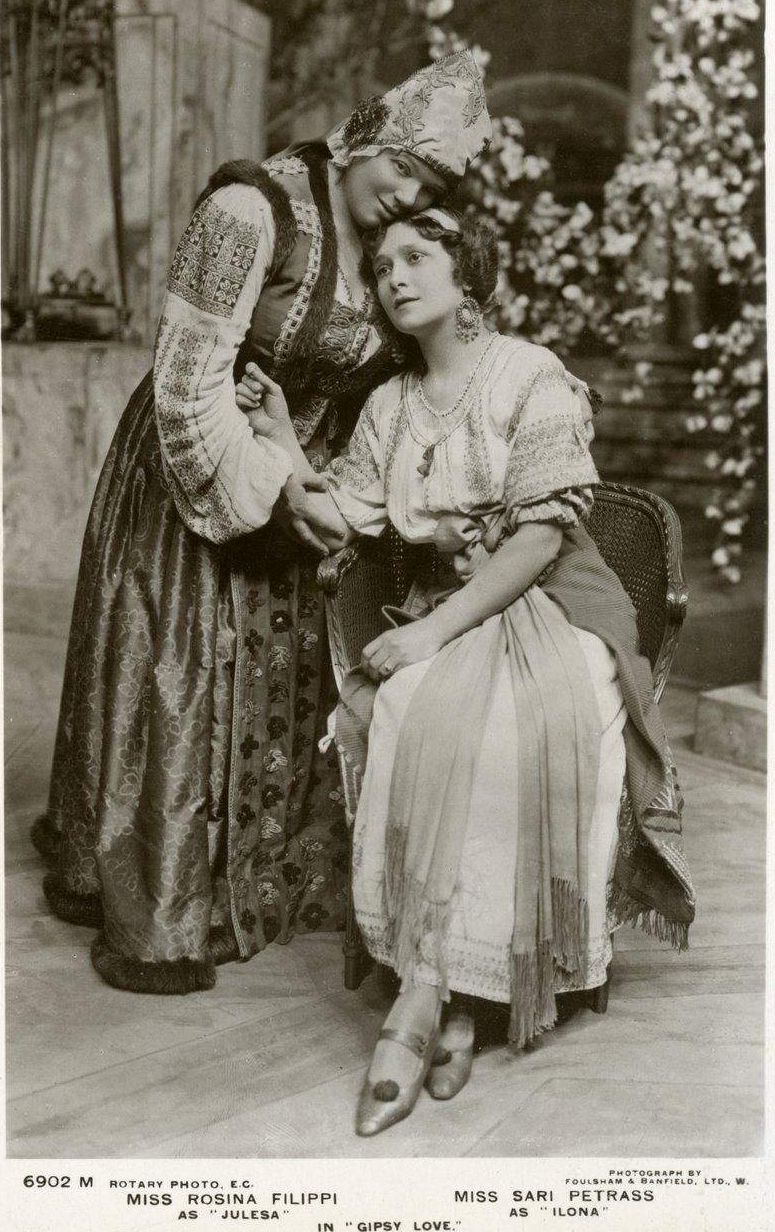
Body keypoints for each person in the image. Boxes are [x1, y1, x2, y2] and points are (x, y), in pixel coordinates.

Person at [31, 51, 494, 994]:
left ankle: (268, 878)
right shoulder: (251, 211)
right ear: (362, 136)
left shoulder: (395, 245)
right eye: (402, 168)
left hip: (312, 480)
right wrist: (277, 491)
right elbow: (188, 379)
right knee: (180, 674)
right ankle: (164, 898)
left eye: (431, 188)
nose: (408, 197)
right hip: (198, 470)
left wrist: (340, 492)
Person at [235, 206, 695, 1137]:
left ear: (467, 273)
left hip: (560, 602)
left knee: (517, 723)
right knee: (411, 707)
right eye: (382, 265)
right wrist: (281, 437)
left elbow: (538, 541)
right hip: (453, 605)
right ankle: (449, 999)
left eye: (418, 257)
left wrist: (429, 633)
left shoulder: (531, 374)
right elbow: (337, 516)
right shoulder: (390, 406)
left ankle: (436, 998)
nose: (395, 277)